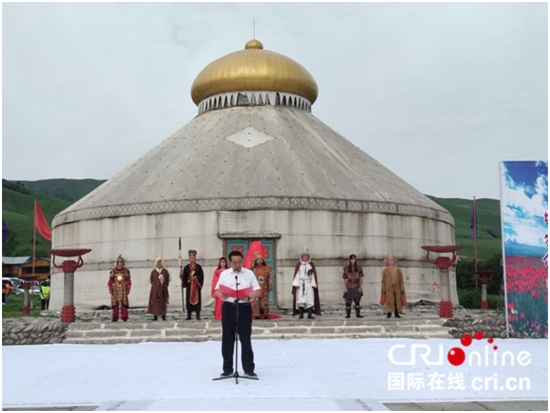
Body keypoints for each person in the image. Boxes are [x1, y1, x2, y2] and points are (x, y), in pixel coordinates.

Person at [214, 250, 261, 378]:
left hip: (244, 308)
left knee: (245, 339)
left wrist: (249, 297)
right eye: (234, 262)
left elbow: (257, 290)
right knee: (227, 339)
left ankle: (248, 369)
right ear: (230, 262)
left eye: (239, 261)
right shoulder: (224, 274)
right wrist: (221, 295)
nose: (237, 264)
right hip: (229, 307)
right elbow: (217, 290)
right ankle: (227, 369)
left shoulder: (249, 273)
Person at [292, 247, 321, 319]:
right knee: (300, 299)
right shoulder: (299, 265)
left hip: (309, 283)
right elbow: (297, 274)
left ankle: (309, 314)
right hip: (301, 283)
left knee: (309, 298)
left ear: (308, 257)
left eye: (306, 256)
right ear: (302, 257)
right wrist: (296, 284)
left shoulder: (311, 265)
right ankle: (301, 315)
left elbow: (313, 275)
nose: (305, 257)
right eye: (304, 256)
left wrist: (313, 284)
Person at [180, 249, 204, 320]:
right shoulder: (186, 267)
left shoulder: (198, 267)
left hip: (196, 286)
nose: (192, 259)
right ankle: (189, 315)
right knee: (188, 299)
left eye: (193, 257)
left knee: (197, 300)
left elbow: (201, 276)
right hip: (189, 286)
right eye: (190, 258)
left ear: (195, 258)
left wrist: (195, 278)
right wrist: (182, 275)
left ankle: (198, 315)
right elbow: (184, 277)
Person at [380, 253, 406, 318]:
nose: (391, 262)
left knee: (397, 300)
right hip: (388, 287)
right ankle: (389, 313)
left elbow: (401, 279)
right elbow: (383, 280)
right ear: (388, 262)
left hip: (396, 287)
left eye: (392, 260)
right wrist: (383, 288)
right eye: (390, 260)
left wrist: (402, 287)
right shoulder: (385, 270)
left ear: (394, 261)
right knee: (389, 300)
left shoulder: (398, 269)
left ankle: (396, 313)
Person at [108, 254, 132, 322]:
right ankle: (115, 317)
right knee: (115, 303)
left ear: (123, 263)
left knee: (124, 303)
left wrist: (128, 288)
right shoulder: (114, 271)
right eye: (118, 262)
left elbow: (128, 281)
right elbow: (110, 280)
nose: (120, 264)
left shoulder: (125, 271)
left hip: (123, 288)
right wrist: (110, 288)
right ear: (117, 263)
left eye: (121, 262)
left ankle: (124, 316)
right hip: (115, 288)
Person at [250, 252, 273, 320]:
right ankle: (257, 315)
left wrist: (269, 285)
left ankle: (266, 314)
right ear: (255, 261)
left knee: (265, 301)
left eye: (260, 259)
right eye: (258, 259)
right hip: (256, 287)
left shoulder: (267, 268)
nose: (259, 260)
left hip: (264, 286)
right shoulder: (252, 270)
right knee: (256, 301)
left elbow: (269, 278)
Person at [343, 254, 364, 318]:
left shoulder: (359, 268)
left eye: (354, 259)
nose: (353, 261)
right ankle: (348, 314)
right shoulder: (346, 269)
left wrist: (360, 287)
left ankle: (358, 314)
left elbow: (360, 278)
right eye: (352, 259)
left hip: (356, 285)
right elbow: (344, 279)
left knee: (357, 300)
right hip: (349, 285)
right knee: (348, 301)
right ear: (350, 260)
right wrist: (346, 288)